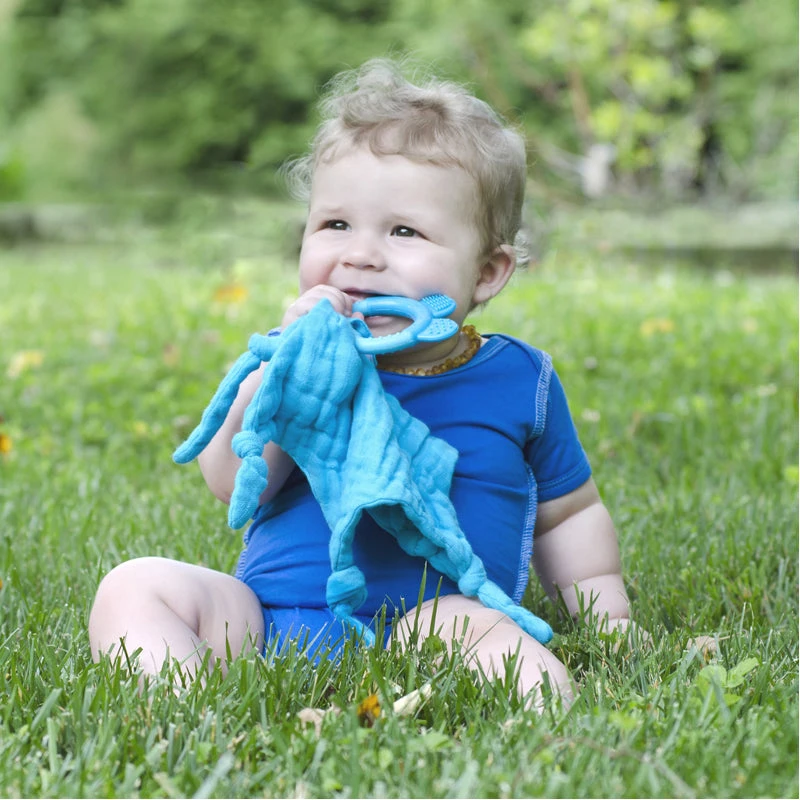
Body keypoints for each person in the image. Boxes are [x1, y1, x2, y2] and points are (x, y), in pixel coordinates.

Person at [89, 58, 641, 705]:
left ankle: (548, 723)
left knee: (473, 628)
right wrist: (286, 370)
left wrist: (608, 617)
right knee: (136, 583)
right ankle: (184, 705)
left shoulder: (520, 379)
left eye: (404, 231)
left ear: (487, 273)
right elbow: (229, 480)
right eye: (335, 225)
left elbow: (567, 515)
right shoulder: (295, 361)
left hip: (430, 623)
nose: (359, 253)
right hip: (264, 620)